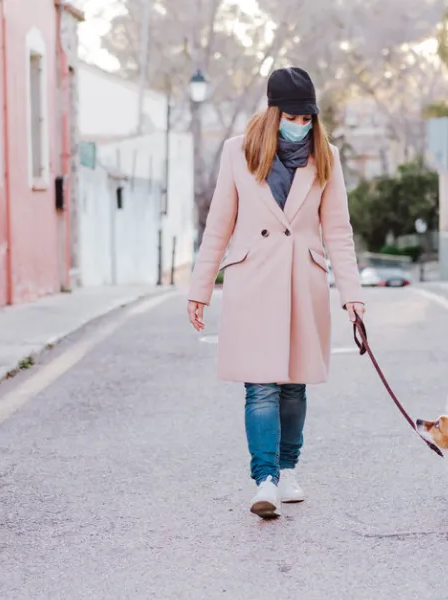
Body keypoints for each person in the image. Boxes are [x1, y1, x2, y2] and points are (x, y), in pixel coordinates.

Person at [186, 66, 366, 519]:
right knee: (260, 387)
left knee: (293, 387)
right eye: (293, 116)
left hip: (303, 283)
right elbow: (218, 227)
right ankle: (264, 479)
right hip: (253, 283)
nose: (301, 125)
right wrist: (200, 288)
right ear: (273, 112)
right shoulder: (237, 152)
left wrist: (353, 294)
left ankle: (288, 469)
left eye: (308, 118)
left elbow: (338, 232)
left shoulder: (326, 156)